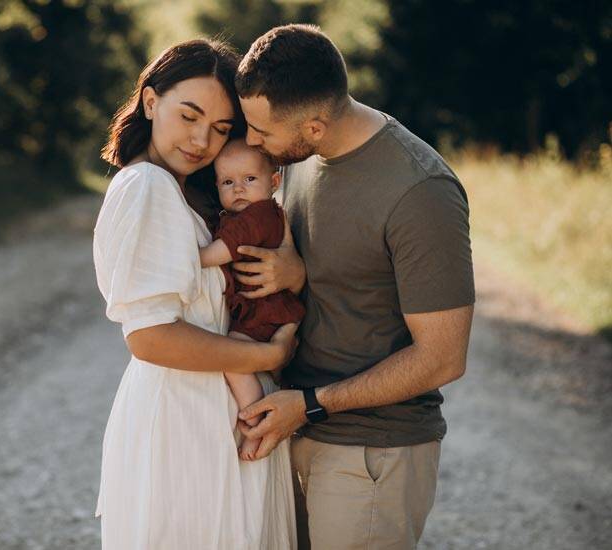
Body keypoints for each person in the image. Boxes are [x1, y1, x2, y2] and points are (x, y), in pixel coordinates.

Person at [230, 25, 476, 549]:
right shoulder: (298, 159)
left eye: (260, 130)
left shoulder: (420, 192)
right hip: (294, 428)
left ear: (315, 127)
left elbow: (443, 358)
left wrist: (311, 403)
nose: (251, 142)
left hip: (372, 452)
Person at [92, 39, 298, 550]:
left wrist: (290, 270)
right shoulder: (147, 187)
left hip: (208, 411)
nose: (202, 139)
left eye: (221, 128)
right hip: (183, 419)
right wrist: (267, 356)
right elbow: (150, 338)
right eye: (189, 116)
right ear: (150, 101)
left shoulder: (186, 192)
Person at [199, 138, 306, 461]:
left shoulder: (259, 215)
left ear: (274, 182)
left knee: (233, 357)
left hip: (266, 310)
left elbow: (222, 250)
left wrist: (192, 257)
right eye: (228, 182)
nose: (239, 189)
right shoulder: (247, 214)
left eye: (249, 179)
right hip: (268, 308)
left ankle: (255, 421)